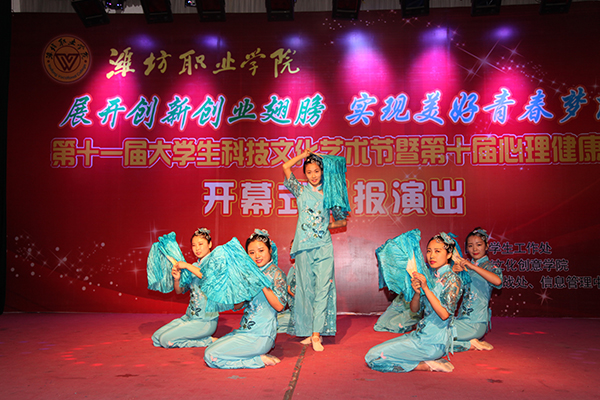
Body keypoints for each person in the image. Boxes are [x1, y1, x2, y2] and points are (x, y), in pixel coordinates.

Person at [365, 233, 463, 373]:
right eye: (429, 251)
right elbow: (414, 310)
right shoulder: (430, 277)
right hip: (420, 336)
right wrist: (417, 293)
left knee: (373, 357)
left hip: (433, 343)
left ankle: (424, 365)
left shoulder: (453, 280)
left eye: (437, 251)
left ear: (449, 254)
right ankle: (426, 360)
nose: (432, 256)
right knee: (377, 351)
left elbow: (444, 314)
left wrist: (425, 288)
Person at [283, 150, 347, 352]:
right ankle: (309, 331)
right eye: (309, 171)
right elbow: (285, 167)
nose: (313, 175)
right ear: (305, 173)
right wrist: (303, 155)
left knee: (322, 288)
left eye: (317, 171)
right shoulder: (300, 191)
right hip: (303, 247)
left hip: (323, 247)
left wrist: (325, 225)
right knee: (306, 289)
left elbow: (342, 221)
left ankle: (317, 334)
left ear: (322, 171)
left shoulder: (330, 193)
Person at [204, 229, 287, 369]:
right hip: (245, 331)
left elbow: (279, 306)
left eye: (261, 250)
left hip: (261, 335)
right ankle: (254, 357)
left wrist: (261, 282)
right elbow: (238, 306)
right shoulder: (249, 274)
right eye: (251, 253)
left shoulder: (277, 274)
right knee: (211, 349)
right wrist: (236, 287)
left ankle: (257, 360)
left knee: (211, 356)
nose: (257, 256)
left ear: (270, 250)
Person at [152, 228, 218, 348]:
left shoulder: (215, 263)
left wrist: (186, 266)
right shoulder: (194, 266)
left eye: (201, 244)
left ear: (210, 244)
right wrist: (177, 279)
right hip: (189, 317)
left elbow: (205, 275)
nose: (197, 248)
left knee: (165, 340)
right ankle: (197, 337)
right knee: (156, 337)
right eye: (194, 245)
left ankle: (207, 341)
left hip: (205, 321)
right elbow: (180, 291)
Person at [452, 227, 503, 351]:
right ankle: (469, 343)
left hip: (476, 322)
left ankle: (469, 344)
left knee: (437, 336)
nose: (474, 249)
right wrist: (454, 272)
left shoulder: (490, 267)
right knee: (432, 333)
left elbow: (498, 281)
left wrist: (473, 267)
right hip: (461, 319)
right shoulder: (465, 267)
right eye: (470, 246)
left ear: (486, 246)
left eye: (479, 245)